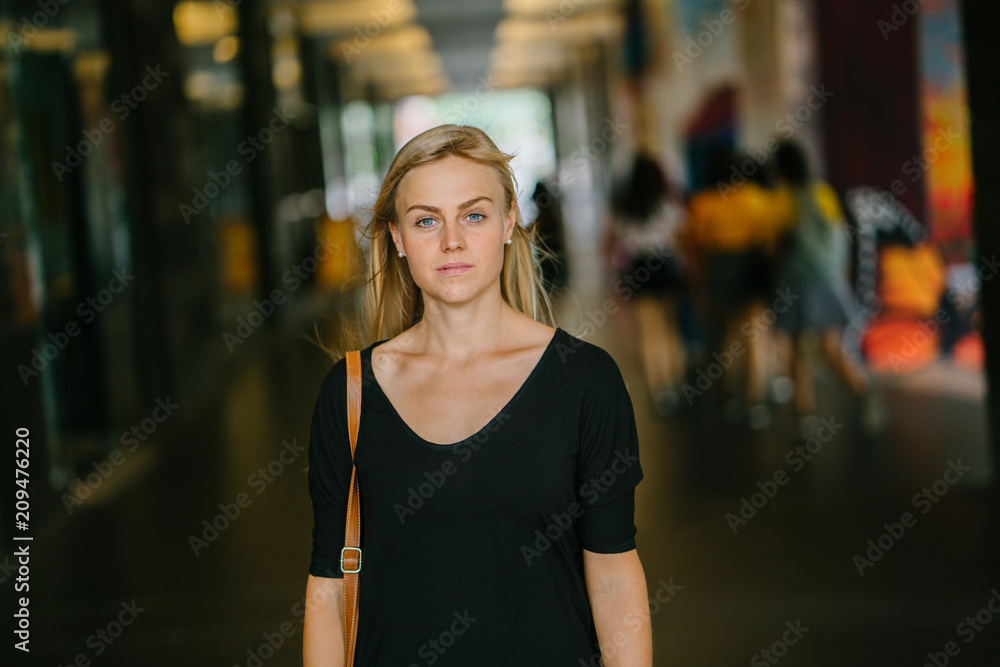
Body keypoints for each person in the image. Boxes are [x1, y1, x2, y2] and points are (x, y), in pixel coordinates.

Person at [303, 125, 651, 666]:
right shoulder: (350, 394)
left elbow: (611, 573)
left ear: (509, 222)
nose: (451, 242)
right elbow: (327, 588)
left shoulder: (584, 381)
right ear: (396, 238)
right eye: (425, 220)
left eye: (473, 214)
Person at [770, 139, 869, 432]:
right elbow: (840, 239)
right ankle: (861, 392)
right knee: (831, 346)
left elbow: (775, 246)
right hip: (828, 278)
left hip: (798, 281)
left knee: (800, 348)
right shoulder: (823, 194)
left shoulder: (783, 200)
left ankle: (803, 413)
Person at [683, 147, 777, 427]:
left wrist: (699, 285)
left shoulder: (701, 203)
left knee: (729, 334)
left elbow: (696, 247)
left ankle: (730, 396)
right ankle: (755, 399)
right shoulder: (756, 198)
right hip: (752, 267)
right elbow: (770, 241)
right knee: (756, 334)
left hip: (719, 268)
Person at [610, 153, 688, 417]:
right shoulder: (668, 202)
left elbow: (615, 239)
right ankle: (677, 380)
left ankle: (660, 389)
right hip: (664, 266)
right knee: (669, 326)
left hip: (639, 268)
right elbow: (679, 236)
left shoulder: (624, 205)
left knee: (649, 331)